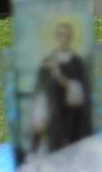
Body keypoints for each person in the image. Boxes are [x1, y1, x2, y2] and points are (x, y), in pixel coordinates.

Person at [32, 20, 94, 154]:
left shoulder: (77, 62)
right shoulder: (48, 61)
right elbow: (40, 90)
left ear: (71, 38)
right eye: (60, 35)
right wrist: (39, 113)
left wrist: (61, 78)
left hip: (73, 117)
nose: (63, 38)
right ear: (56, 37)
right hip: (52, 116)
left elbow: (82, 91)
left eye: (66, 35)